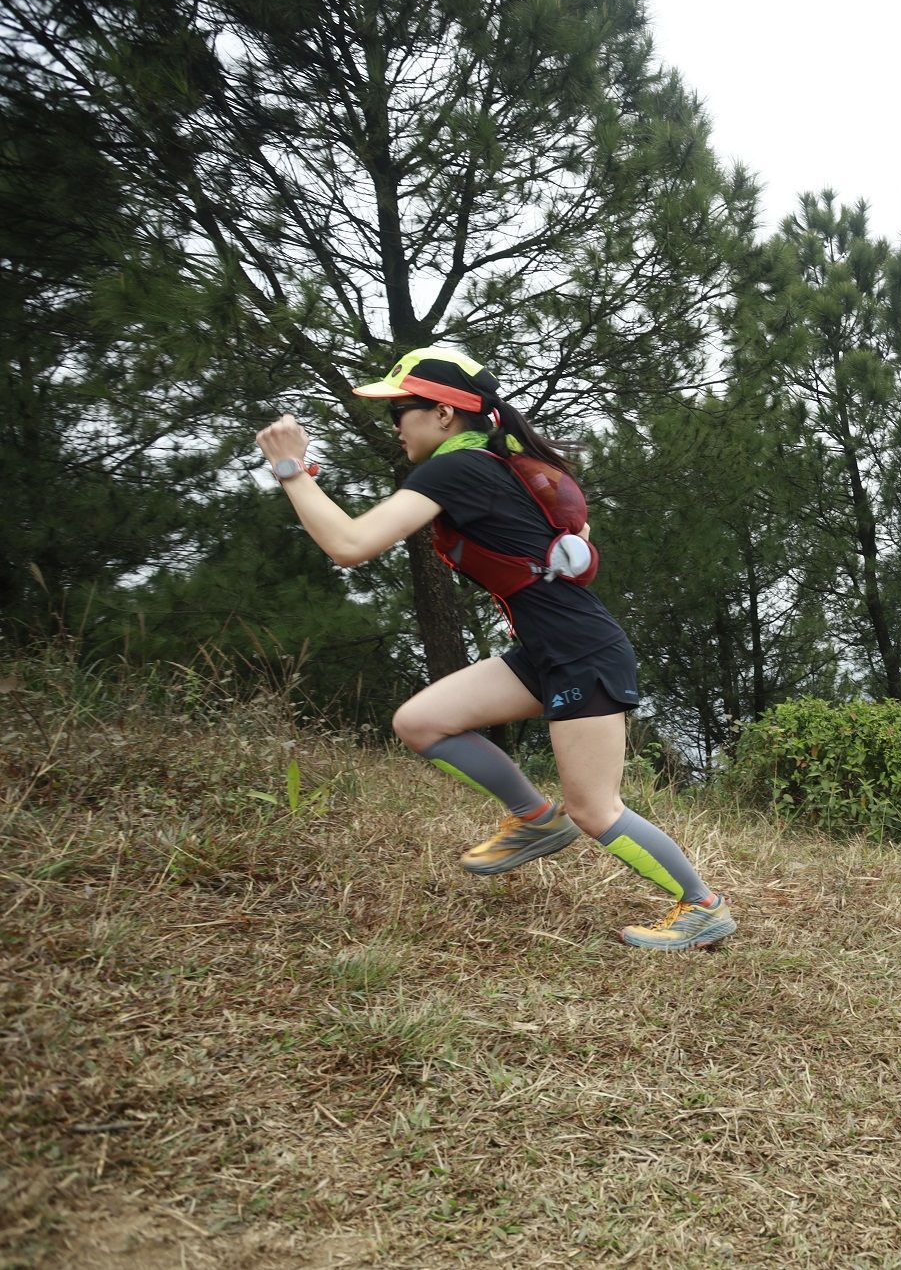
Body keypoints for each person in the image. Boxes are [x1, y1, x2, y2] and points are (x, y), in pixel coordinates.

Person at [253, 346, 735, 952]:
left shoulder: (455, 470)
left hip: (578, 652)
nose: (395, 424)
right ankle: (534, 820)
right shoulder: (491, 463)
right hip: (548, 649)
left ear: (445, 415)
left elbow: (351, 545)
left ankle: (701, 906)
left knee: (594, 807)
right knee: (421, 723)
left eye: (401, 410)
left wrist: (291, 470)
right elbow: (576, 533)